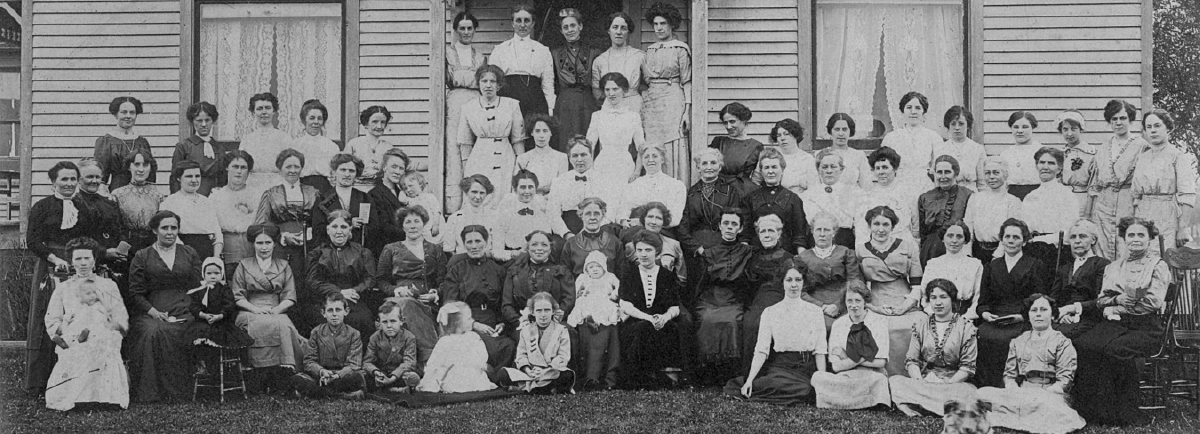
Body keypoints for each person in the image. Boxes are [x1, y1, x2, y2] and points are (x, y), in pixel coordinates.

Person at [1067, 217, 1169, 426]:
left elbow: (1153, 302)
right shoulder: (1113, 267)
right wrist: (1116, 300)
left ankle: (1122, 413)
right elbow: (1102, 300)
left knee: (1115, 349)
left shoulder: (1158, 266)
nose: (1136, 239)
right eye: (1131, 235)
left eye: (1141, 235)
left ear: (1149, 239)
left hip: (1146, 327)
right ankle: (1090, 410)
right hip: (1115, 323)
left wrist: (1120, 306)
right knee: (1084, 343)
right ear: (1123, 238)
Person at [976, 294, 1086, 434]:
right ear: (1028, 316)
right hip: (1022, 392)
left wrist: (1044, 394)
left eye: (1043, 310)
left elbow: (1064, 380)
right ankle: (1023, 412)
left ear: (1053, 315)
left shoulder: (1062, 342)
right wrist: (1012, 388)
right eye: (1034, 310)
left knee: (1048, 406)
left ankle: (1020, 414)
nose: (1038, 314)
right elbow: (1009, 375)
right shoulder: (1019, 341)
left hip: (1050, 394)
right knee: (981, 393)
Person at [43, 237, 130, 411]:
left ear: (94, 260)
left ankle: (104, 397)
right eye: (78, 259)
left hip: (103, 331)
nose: (83, 263)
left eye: (87, 258)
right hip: (73, 334)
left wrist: (113, 331)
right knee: (80, 342)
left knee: (100, 339)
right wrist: (62, 334)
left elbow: (119, 314)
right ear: (71, 261)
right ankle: (78, 397)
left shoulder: (108, 285)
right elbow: (52, 318)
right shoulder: (64, 288)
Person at [25, 161, 89, 393]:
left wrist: (78, 260)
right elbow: (32, 241)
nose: (69, 184)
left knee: (76, 316)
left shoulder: (84, 207)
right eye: (64, 179)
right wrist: (55, 260)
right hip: (49, 265)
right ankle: (40, 381)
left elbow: (88, 240)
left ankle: (73, 379)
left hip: (77, 265)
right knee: (48, 316)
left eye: (73, 179)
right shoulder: (41, 207)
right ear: (53, 182)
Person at [127, 210, 203, 402]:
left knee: (179, 329)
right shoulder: (142, 255)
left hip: (185, 307)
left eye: (174, 228)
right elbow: (135, 292)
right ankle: (151, 392)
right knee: (153, 331)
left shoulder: (189, 252)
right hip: (152, 308)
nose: (170, 232)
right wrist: (152, 312)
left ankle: (177, 391)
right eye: (165, 228)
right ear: (155, 230)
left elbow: (198, 286)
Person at [724, 265, 826, 405]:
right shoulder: (770, 312)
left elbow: (820, 350)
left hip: (805, 367)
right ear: (782, 283)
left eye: (798, 280)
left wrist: (822, 381)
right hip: (781, 367)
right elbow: (761, 350)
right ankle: (756, 386)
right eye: (789, 280)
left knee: (808, 388)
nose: (794, 285)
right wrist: (749, 380)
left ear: (804, 282)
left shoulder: (815, 312)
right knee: (762, 384)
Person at [976, 218, 1050, 388]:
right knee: (981, 335)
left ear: (1024, 241)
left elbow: (1040, 300)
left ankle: (1009, 388)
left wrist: (1022, 316)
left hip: (1022, 318)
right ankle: (986, 388)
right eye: (1007, 236)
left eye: (1016, 237)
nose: (1010, 241)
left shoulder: (1035, 265)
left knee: (1008, 340)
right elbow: (983, 302)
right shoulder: (992, 266)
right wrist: (986, 314)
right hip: (995, 317)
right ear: (1001, 240)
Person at [888, 279, 979, 417]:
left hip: (952, 383)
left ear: (952, 300)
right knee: (895, 381)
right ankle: (938, 407)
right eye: (933, 297)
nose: (938, 302)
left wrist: (947, 383)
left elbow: (968, 368)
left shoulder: (966, 328)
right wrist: (919, 380)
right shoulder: (920, 325)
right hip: (925, 381)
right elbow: (912, 360)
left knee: (968, 393)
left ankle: (918, 404)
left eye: (943, 297)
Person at [231, 223, 306, 390]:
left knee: (283, 325)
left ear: (274, 243)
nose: (264, 247)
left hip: (276, 308)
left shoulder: (283, 265)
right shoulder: (244, 265)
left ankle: (283, 374)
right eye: (259, 243)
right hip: (249, 309)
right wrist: (255, 309)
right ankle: (256, 375)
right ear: (253, 244)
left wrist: (276, 310)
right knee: (254, 325)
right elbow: (238, 296)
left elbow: (289, 295)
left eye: (268, 243)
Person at [856, 205, 926, 376]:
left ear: (893, 227)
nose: (881, 229)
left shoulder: (908, 246)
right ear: (869, 226)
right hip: (875, 300)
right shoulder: (860, 249)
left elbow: (917, 284)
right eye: (876, 224)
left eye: (886, 224)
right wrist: (873, 307)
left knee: (916, 324)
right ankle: (879, 376)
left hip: (904, 298)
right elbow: (859, 287)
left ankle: (910, 375)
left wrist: (905, 306)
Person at [376, 205, 448, 364]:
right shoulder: (391, 249)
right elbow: (381, 280)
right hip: (399, 301)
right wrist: (396, 291)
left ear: (424, 224)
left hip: (426, 301)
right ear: (402, 226)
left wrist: (435, 293)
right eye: (408, 222)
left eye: (417, 221)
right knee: (406, 304)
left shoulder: (435, 249)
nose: (413, 225)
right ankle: (429, 356)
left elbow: (443, 280)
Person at [691, 208, 754, 383]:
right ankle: (708, 371)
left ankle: (729, 371)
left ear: (740, 229)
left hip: (734, 297)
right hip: (710, 297)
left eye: (734, 224)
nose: (729, 227)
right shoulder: (709, 252)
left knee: (733, 320)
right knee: (707, 319)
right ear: (719, 226)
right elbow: (701, 282)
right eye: (725, 223)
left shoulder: (747, 252)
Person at [442, 225, 518, 370]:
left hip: (493, 320)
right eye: (469, 242)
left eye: (478, 241)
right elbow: (450, 304)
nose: (474, 246)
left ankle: (499, 377)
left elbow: (505, 301)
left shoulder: (498, 269)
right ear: (464, 244)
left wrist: (502, 323)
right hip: (467, 322)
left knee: (509, 344)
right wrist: (473, 324)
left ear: (487, 243)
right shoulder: (457, 269)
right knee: (484, 345)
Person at [619, 231, 688, 388]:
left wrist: (665, 317)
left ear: (657, 251)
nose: (643, 254)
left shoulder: (666, 275)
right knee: (644, 328)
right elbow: (625, 305)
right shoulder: (629, 274)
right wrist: (648, 318)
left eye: (648, 250)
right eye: (640, 250)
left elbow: (674, 306)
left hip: (660, 318)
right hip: (636, 320)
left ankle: (667, 374)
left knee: (672, 328)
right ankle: (641, 376)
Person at [811, 284, 891, 410]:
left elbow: (880, 362)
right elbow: (836, 366)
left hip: (870, 375)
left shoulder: (879, 321)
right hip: (846, 376)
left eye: (858, 300)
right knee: (818, 377)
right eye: (849, 301)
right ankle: (866, 401)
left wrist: (846, 356)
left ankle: (842, 401)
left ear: (865, 301)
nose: (853, 305)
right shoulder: (839, 324)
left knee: (880, 380)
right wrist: (866, 353)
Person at [255, 149, 318, 306]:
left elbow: (319, 221)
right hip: (281, 246)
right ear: (280, 168)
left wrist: (307, 236)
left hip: (308, 245)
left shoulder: (313, 192)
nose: (293, 170)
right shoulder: (271, 193)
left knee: (307, 284)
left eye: (296, 166)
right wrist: (282, 236)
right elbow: (262, 223)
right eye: (288, 166)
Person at [307, 209, 382, 343]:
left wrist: (355, 291)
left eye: (343, 227)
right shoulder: (317, 254)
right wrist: (338, 292)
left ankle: (359, 359)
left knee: (363, 319)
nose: (339, 231)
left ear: (350, 230)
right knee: (317, 317)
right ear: (328, 229)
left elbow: (370, 279)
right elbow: (313, 281)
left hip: (354, 299)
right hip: (325, 299)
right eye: (334, 227)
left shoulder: (362, 252)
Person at [741, 215, 805, 365]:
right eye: (763, 231)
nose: (767, 235)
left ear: (779, 233)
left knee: (766, 324)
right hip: (757, 300)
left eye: (771, 231)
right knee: (750, 324)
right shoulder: (752, 257)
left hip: (781, 299)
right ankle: (750, 374)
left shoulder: (790, 259)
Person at [1090, 99, 1149, 260]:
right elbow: (1096, 181)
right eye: (1114, 119)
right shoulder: (1103, 147)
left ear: (1130, 119)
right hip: (1104, 202)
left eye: (1122, 118)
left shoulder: (1141, 146)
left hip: (1127, 200)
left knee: (1125, 243)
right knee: (1102, 245)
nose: (1118, 123)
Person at [456, 65, 525, 196]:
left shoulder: (512, 105)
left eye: (492, 81)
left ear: (499, 85)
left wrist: (520, 169)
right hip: (479, 158)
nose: (488, 85)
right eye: (484, 81)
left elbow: (518, 140)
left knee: (503, 194)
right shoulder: (468, 108)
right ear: (478, 84)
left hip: (505, 157)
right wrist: (467, 171)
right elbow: (465, 142)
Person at [1132, 109, 1195, 251]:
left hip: (1167, 214)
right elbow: (1135, 194)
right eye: (1149, 127)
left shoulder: (1177, 156)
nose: (1153, 131)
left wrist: (1182, 228)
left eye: (1157, 126)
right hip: (1142, 213)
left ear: (1168, 128)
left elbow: (1188, 196)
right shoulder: (1142, 157)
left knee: (1164, 257)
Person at [184, 258, 254, 374]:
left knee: (225, 336)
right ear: (203, 274)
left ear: (221, 274)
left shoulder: (224, 289)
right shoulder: (199, 290)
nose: (213, 276)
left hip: (222, 322)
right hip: (204, 321)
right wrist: (204, 315)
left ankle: (232, 365)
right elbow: (194, 307)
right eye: (209, 273)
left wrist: (220, 316)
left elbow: (229, 305)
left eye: (216, 273)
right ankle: (202, 364)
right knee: (198, 336)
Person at [796, 213, 863, 331]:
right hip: (813, 304)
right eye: (818, 230)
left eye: (826, 230)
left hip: (844, 301)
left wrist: (838, 305)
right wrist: (821, 307)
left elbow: (853, 283)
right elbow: (799, 290)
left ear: (834, 233)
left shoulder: (846, 253)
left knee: (848, 327)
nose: (822, 234)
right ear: (812, 232)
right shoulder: (802, 257)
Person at [446, 11, 489, 192]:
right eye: (462, 28)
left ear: (474, 30)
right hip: (455, 103)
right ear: (455, 30)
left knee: (473, 147)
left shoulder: (480, 57)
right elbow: (449, 79)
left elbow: (482, 81)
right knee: (455, 147)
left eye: (469, 28)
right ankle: (454, 199)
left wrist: (461, 76)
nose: (466, 32)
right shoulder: (447, 53)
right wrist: (470, 78)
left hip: (475, 102)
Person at [498, 293, 575, 394]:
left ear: (553, 311)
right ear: (532, 312)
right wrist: (528, 370)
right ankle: (543, 389)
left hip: (550, 371)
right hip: (531, 373)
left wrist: (545, 371)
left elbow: (563, 357)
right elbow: (521, 355)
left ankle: (530, 389)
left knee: (566, 375)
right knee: (503, 374)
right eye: (539, 310)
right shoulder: (526, 330)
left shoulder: (561, 330)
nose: (543, 315)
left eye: (547, 310)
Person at [292, 294, 366, 399]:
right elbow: (309, 361)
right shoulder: (316, 332)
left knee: (357, 376)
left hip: (342, 376)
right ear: (323, 313)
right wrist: (322, 371)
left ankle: (320, 393)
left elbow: (354, 364)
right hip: (322, 375)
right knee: (299, 378)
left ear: (346, 311)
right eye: (330, 310)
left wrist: (337, 375)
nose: (334, 314)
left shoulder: (354, 334)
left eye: (338, 310)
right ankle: (341, 394)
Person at [490, 3, 554, 122]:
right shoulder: (500, 50)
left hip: (535, 101)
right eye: (518, 20)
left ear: (533, 23)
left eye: (527, 20)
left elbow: (548, 85)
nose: (522, 25)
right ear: (512, 23)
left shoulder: (543, 51)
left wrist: (550, 109)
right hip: (508, 101)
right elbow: (493, 83)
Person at [503, 231, 575, 337]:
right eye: (534, 244)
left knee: (567, 335)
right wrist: (520, 321)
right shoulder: (514, 272)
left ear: (550, 249)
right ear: (528, 248)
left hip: (554, 321)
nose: (539, 248)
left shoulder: (561, 271)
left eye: (544, 245)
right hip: (524, 324)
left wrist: (555, 317)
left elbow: (569, 299)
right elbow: (507, 304)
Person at [739, 147, 811, 253]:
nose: (770, 171)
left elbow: (799, 234)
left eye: (774, 167)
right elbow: (744, 235)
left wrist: (801, 259)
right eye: (766, 168)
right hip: (756, 255)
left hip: (785, 255)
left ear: (782, 170)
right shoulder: (750, 198)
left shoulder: (793, 199)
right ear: (762, 171)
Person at [568, 251, 622, 389]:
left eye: (598, 266)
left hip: (605, 304)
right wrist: (580, 293)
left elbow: (619, 287)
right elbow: (576, 292)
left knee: (608, 316)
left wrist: (614, 295)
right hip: (588, 304)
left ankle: (606, 377)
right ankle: (589, 377)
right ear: (586, 269)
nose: (595, 270)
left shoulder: (609, 277)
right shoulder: (583, 278)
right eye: (591, 267)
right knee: (583, 307)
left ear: (604, 267)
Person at [416, 302, 497, 393]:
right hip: (455, 376)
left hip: (473, 374)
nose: (472, 321)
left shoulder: (473, 337)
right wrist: (429, 379)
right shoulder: (446, 341)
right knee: (452, 376)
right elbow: (436, 362)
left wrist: (479, 365)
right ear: (457, 323)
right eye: (468, 318)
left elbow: (482, 355)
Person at [1049, 219, 1109, 338]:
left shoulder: (1102, 265)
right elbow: (1054, 298)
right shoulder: (1064, 268)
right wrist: (1060, 314)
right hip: (1063, 318)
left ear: (1093, 240)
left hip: (1089, 318)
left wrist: (1071, 309)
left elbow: (1102, 300)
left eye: (1082, 236)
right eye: (1073, 237)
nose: (1077, 241)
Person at [491, 171, 569, 261]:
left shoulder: (542, 204)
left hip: (542, 256)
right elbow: (497, 248)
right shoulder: (506, 207)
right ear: (515, 189)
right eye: (523, 187)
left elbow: (556, 222)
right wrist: (513, 254)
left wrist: (567, 234)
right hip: (516, 257)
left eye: (531, 187)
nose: (527, 191)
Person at [550, 8, 598, 150]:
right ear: (561, 31)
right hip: (565, 103)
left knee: (588, 140)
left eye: (573, 25)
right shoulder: (554, 54)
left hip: (587, 102)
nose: (570, 30)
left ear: (580, 27)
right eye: (565, 27)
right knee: (566, 140)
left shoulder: (593, 52)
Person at [587, 72, 645, 184]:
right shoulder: (597, 116)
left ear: (624, 90)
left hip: (625, 165)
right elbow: (590, 145)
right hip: (602, 164)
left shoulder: (633, 116)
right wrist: (591, 170)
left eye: (615, 89)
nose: (611, 93)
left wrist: (637, 172)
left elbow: (641, 147)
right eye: (607, 90)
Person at [963, 158, 1023, 263]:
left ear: (1005, 174)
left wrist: (998, 256)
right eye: (987, 173)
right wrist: (968, 253)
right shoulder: (975, 198)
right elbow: (969, 225)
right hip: (978, 250)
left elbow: (1011, 231)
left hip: (1002, 252)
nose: (991, 177)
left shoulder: (1013, 201)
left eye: (996, 173)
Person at [74, 159, 128, 273]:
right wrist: (104, 253)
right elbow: (76, 238)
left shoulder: (109, 203)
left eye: (98, 177)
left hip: (113, 262)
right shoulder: (74, 203)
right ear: (79, 178)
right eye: (89, 177)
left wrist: (120, 251)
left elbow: (121, 228)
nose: (94, 181)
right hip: (86, 263)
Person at [160, 161, 223, 260]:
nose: (194, 180)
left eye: (197, 176)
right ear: (179, 178)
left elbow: (217, 234)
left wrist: (215, 258)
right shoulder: (170, 203)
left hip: (207, 254)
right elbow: (170, 234)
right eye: (189, 176)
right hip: (181, 254)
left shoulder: (207, 202)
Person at [916, 155, 972, 266]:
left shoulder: (968, 195)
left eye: (947, 172)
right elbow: (922, 231)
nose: (943, 176)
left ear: (955, 173)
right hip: (931, 249)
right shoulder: (925, 197)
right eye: (939, 172)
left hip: (957, 246)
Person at [855, 147, 917, 245]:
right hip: (875, 245)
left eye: (885, 167)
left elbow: (915, 226)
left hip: (902, 244)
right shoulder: (867, 195)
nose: (881, 172)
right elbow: (861, 228)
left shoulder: (908, 193)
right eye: (877, 168)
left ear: (895, 168)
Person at [801, 149, 862, 248]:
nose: (829, 171)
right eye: (824, 167)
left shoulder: (854, 193)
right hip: (816, 243)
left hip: (844, 242)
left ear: (841, 169)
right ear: (818, 170)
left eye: (833, 167)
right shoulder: (808, 195)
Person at [209, 151, 259, 272]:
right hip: (227, 248)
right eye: (235, 167)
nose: (239, 171)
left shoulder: (256, 195)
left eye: (243, 167)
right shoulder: (216, 196)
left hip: (251, 247)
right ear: (227, 168)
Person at [922, 221, 983, 320]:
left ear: (965, 240)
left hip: (965, 316)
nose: (954, 240)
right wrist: (936, 315)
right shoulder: (933, 264)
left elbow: (978, 297)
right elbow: (925, 296)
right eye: (950, 236)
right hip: (937, 315)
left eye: (959, 237)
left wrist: (965, 318)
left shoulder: (975, 265)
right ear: (943, 238)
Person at [879, 91, 937, 193]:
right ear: (902, 111)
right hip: (898, 186)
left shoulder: (933, 137)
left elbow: (938, 165)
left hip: (925, 187)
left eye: (918, 108)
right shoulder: (891, 138)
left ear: (923, 112)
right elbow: (883, 167)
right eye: (909, 107)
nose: (913, 112)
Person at [110, 148, 165, 255]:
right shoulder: (118, 194)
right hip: (127, 244)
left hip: (152, 245)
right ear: (129, 167)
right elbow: (115, 225)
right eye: (136, 164)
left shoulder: (157, 195)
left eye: (145, 165)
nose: (141, 169)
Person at [548, 136, 607, 233]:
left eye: (583, 155)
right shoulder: (559, 181)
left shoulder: (603, 180)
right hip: (568, 229)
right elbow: (553, 214)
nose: (579, 160)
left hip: (597, 228)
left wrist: (591, 231)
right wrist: (566, 234)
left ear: (591, 155)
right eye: (575, 156)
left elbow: (609, 212)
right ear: (569, 158)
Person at [1023, 147, 1079, 248]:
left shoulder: (1067, 196)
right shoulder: (1031, 196)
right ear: (1036, 166)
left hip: (1058, 250)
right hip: (1033, 248)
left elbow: (1069, 232)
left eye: (1051, 163)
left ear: (1059, 169)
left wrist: (1041, 240)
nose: (1045, 167)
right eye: (1042, 162)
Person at [94, 96, 153, 190]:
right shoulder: (106, 141)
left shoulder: (142, 142)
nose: (128, 116)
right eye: (124, 112)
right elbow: (101, 175)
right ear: (115, 115)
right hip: (116, 189)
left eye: (132, 112)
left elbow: (151, 174)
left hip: (142, 190)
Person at [311, 153, 370, 247]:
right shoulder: (323, 199)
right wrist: (348, 224)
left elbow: (373, 228)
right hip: (330, 252)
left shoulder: (365, 198)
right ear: (334, 172)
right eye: (343, 170)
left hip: (357, 250)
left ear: (356, 174)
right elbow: (317, 230)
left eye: (351, 171)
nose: (347, 174)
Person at [170, 101, 229, 195]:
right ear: (192, 122)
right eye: (199, 121)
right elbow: (175, 179)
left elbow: (223, 180)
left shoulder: (219, 148)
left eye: (207, 120)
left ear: (212, 121)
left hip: (214, 199)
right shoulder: (184, 146)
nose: (204, 124)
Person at [363, 301, 423, 392]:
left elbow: (408, 362)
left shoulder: (409, 337)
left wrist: (393, 378)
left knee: (412, 377)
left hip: (399, 373)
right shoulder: (375, 337)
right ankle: (394, 390)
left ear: (401, 321)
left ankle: (389, 388)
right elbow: (367, 361)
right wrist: (376, 372)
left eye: (393, 321)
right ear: (379, 323)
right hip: (382, 372)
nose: (389, 326)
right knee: (363, 376)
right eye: (385, 322)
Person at [240, 92, 293, 195]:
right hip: (252, 187)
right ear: (253, 112)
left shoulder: (284, 138)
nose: (264, 112)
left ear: (274, 111)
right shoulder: (247, 139)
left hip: (278, 187)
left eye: (268, 108)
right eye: (259, 109)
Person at [622, 202, 687, 284]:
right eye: (650, 217)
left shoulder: (674, 245)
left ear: (664, 221)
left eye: (659, 218)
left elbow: (681, 279)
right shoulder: (630, 246)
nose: (653, 222)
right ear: (644, 219)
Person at [592, 12, 645, 113]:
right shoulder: (600, 60)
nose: (619, 32)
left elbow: (649, 83)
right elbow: (596, 90)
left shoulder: (639, 56)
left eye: (623, 28)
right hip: (610, 107)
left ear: (628, 31)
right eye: (615, 27)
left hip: (634, 107)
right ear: (608, 30)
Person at [366, 148, 414, 255]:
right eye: (394, 167)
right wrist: (412, 232)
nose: (397, 172)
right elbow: (382, 227)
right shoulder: (374, 194)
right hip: (386, 251)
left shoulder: (404, 193)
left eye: (401, 168)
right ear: (384, 167)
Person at [625, 144, 686, 227]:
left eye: (655, 156)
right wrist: (624, 221)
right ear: (642, 161)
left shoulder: (675, 185)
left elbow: (675, 218)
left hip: (662, 230)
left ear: (662, 159)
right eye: (646, 157)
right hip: (634, 229)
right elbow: (623, 209)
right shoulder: (634, 185)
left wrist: (644, 222)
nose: (650, 160)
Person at [560, 197, 624, 276]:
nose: (592, 218)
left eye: (596, 214)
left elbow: (622, 274)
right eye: (588, 214)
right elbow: (566, 275)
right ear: (581, 216)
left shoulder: (614, 242)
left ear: (602, 215)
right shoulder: (571, 244)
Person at [709, 102, 762, 197]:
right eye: (725, 123)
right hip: (717, 191)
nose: (728, 127)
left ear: (743, 120)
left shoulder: (756, 147)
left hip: (742, 193)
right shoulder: (718, 142)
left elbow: (757, 178)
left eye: (732, 121)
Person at [291, 99, 339, 198]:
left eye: (319, 118)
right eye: (312, 118)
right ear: (304, 120)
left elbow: (335, 171)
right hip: (301, 187)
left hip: (325, 188)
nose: (316, 122)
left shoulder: (331, 146)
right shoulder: (295, 145)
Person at [442, 174, 499, 255]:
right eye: (474, 192)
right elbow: (449, 249)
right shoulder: (454, 219)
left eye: (482, 193)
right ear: (466, 192)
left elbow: (496, 247)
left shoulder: (493, 217)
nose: (478, 197)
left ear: (486, 194)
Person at [934, 106, 986, 191]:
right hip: (947, 195)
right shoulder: (940, 148)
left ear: (968, 126)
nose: (957, 128)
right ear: (948, 126)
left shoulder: (977, 149)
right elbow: (937, 180)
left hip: (971, 194)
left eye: (961, 124)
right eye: (953, 124)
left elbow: (982, 182)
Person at [1055, 110, 1097, 215]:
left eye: (1074, 129)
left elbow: (1094, 186)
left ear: (1081, 129)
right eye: (1065, 129)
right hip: (1062, 201)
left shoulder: (1090, 154)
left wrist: (1088, 213)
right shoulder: (1060, 153)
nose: (1069, 133)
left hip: (1082, 201)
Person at [516, 115, 568, 194]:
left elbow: (562, 186)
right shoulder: (523, 158)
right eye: (537, 131)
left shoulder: (561, 157)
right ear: (532, 133)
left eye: (545, 131)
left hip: (552, 200)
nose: (541, 136)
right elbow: (517, 186)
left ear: (551, 133)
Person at [998, 111, 1044, 200]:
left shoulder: (1042, 151)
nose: (1020, 131)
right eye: (1015, 127)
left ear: (1033, 128)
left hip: (1037, 196)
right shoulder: (1006, 154)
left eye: (1025, 127)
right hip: (1012, 196)